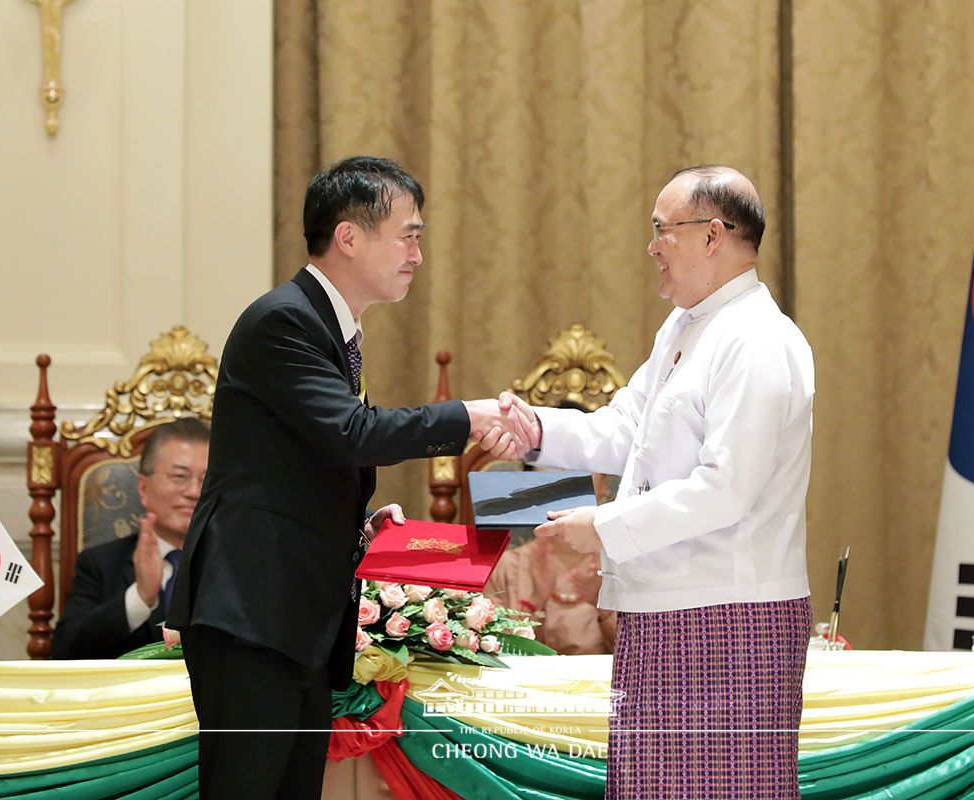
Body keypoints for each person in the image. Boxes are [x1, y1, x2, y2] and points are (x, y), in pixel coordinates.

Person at [165, 156, 533, 800]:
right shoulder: (284, 321)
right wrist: (468, 416)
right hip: (252, 613)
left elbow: (298, 464)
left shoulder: (333, 331)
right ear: (349, 237)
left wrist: (358, 526)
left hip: (293, 619)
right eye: (408, 234)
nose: (419, 253)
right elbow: (353, 433)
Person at [507, 165, 815, 798]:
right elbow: (625, 429)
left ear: (714, 235)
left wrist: (604, 527)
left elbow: (726, 489)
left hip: (731, 617)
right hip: (661, 609)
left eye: (662, 230)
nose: (652, 247)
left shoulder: (756, 339)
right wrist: (535, 429)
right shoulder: (684, 327)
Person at [51, 417, 209, 659]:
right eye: (179, 477)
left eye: (206, 480)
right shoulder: (101, 563)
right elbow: (64, 652)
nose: (194, 492)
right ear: (144, 489)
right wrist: (140, 597)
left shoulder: (239, 561)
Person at [484, 472, 617, 654]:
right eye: (553, 469)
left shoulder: (628, 565)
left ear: (605, 485)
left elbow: (646, 661)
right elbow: (491, 653)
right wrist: (534, 605)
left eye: (576, 467)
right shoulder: (505, 567)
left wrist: (607, 610)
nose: (563, 481)